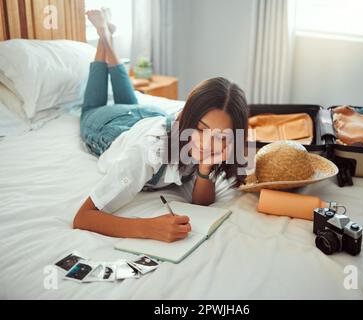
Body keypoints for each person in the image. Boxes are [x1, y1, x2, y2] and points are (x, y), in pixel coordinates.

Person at [73, 9, 250, 243]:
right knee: (90, 109)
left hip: (149, 117)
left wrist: (205, 167)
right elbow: (84, 218)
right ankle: (104, 36)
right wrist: (148, 228)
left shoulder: (211, 146)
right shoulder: (148, 152)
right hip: (111, 127)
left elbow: (202, 202)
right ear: (188, 119)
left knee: (131, 101)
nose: (208, 143)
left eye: (221, 136)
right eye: (201, 129)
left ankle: (107, 35)